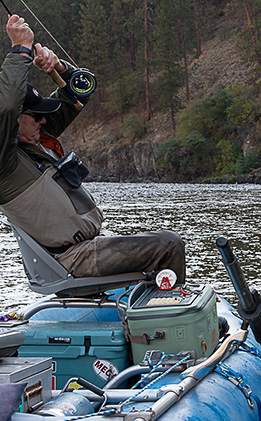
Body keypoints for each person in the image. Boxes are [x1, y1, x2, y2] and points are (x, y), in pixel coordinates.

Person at [0, 14, 186, 284]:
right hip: (73, 259)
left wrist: (59, 68)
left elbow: (80, 91)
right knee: (168, 244)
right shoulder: (5, 161)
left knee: (161, 241)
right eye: (36, 115)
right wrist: (20, 50)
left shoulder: (36, 138)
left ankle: (159, 305)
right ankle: (174, 314)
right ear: (16, 120)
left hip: (91, 245)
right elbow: (5, 107)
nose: (43, 120)